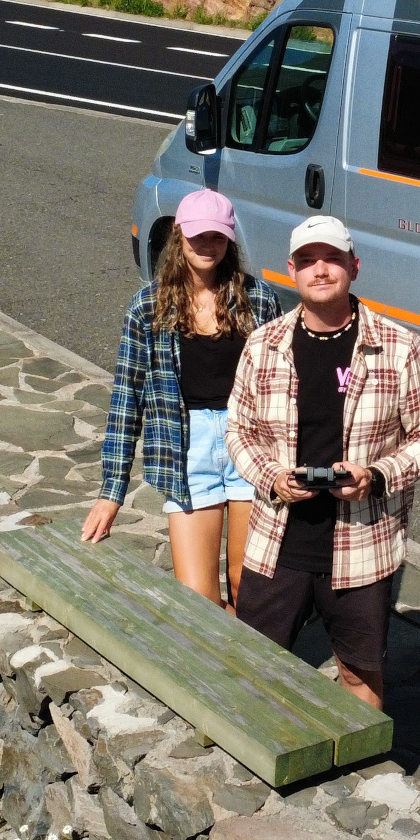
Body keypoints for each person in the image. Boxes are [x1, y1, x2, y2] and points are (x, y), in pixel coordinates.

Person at [227, 215, 420, 709]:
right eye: (307, 260)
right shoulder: (263, 345)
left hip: (362, 545)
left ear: (354, 266)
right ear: (291, 270)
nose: (320, 269)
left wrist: (377, 476)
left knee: (359, 674)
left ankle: (361, 757)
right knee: (254, 668)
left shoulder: (399, 347)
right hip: (278, 540)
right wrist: (273, 478)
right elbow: (239, 432)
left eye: (332, 259)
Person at [83, 190, 281, 612]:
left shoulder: (260, 300)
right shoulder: (148, 307)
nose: (208, 245)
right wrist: (112, 490)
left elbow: (285, 386)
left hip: (250, 443)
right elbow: (126, 399)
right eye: (198, 236)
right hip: (186, 449)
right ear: (179, 234)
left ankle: (246, 651)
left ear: (230, 239)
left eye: (218, 236)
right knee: (197, 598)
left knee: (249, 586)